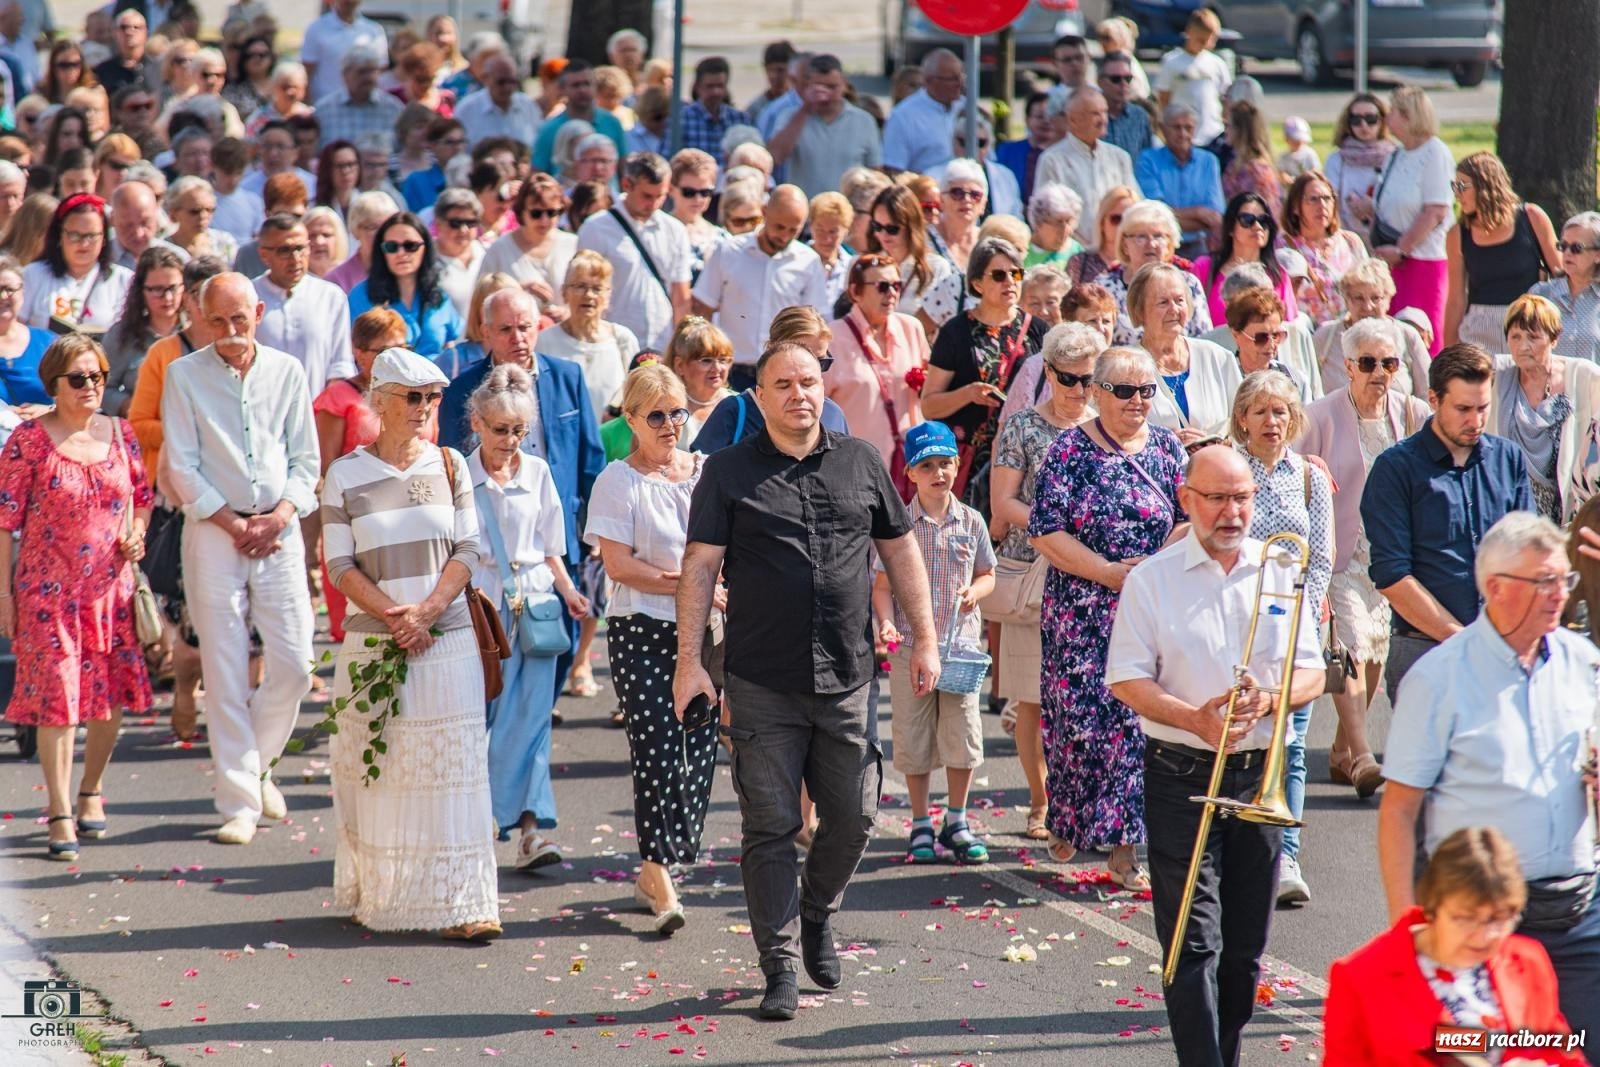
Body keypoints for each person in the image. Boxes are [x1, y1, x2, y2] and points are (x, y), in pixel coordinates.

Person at [674, 339, 940, 1020]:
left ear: (825, 388)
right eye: (781, 385)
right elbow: (701, 566)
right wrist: (689, 661)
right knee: (770, 824)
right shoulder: (728, 472)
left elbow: (899, 547)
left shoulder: (860, 461)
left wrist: (925, 635)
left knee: (853, 816)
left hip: (848, 675)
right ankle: (781, 963)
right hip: (761, 678)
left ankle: (818, 912)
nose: (798, 394)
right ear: (757, 397)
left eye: (808, 382)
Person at [1106, 444, 1324, 1067]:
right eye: (1218, 498)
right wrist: (1194, 718)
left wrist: (1274, 698)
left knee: (1244, 950)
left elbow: (1311, 671)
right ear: (1187, 500)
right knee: (1190, 941)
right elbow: (1125, 678)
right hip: (1181, 773)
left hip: (1259, 775)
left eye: (1242, 498)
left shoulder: (1282, 568)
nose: (1232, 512)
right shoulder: (1152, 579)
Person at [1380, 512, 1600, 1040]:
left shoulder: (1583, 663)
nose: (1559, 594)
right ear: (1495, 587)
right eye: (1543, 581)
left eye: (1563, 579)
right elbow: (1400, 810)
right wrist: (1406, 934)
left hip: (1579, 917)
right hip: (1480, 925)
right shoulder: (1439, 677)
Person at [319, 347, 500, 941]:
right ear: (380, 401)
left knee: (455, 774)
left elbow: (468, 552)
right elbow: (340, 564)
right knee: (383, 771)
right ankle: (386, 892)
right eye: (412, 397)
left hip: (446, 642)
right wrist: (396, 619)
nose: (424, 408)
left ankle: (465, 904)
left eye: (432, 397)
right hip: (376, 644)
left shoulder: (450, 464)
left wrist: (424, 612)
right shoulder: (344, 474)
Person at [162, 272, 319, 845]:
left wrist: (278, 516)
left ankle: (257, 766)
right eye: (218, 322)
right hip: (212, 530)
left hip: (278, 528)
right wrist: (232, 522)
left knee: (297, 661)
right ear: (200, 318)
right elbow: (181, 466)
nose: (230, 333)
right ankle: (239, 802)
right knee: (224, 669)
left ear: (258, 312)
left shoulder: (287, 370)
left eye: (240, 321)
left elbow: (306, 460)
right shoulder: (184, 375)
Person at [1030, 344, 1185, 884]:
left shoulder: (1167, 448)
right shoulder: (1069, 451)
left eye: (1147, 390)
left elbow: (1190, 518)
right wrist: (1108, 572)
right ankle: (1068, 819)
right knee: (1079, 726)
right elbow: (1045, 530)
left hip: (1147, 608)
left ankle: (1125, 850)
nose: (1137, 400)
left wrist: (1152, 567)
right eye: (1123, 390)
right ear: (1096, 393)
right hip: (1081, 610)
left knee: (1133, 726)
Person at [0, 334, 153, 861]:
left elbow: (141, 498)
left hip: (111, 589)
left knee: (106, 702)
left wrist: (137, 534)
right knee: (59, 701)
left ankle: (91, 790)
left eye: (98, 377)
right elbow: (4, 523)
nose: (91, 387)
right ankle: (60, 809)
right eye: (78, 378)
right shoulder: (28, 440)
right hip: (47, 590)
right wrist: (4, 595)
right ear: (54, 384)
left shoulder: (122, 433)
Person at [586, 365, 717, 932]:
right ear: (632, 421)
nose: (669, 425)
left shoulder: (706, 473)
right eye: (656, 416)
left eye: (677, 413)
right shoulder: (619, 480)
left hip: (706, 628)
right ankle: (657, 869)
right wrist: (686, 582)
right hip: (642, 627)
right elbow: (619, 566)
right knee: (658, 747)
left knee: (701, 747)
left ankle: (662, 860)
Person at [439, 288, 605, 701]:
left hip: (554, 524)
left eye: (526, 327)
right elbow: (449, 462)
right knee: (489, 647)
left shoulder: (567, 377)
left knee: (556, 631)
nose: (518, 337)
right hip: (489, 532)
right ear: (485, 332)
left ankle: (538, 708)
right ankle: (511, 716)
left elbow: (590, 456)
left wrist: (597, 526)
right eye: (506, 329)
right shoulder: (462, 389)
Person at [1299, 319, 1431, 800]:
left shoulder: (1412, 413)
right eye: (1370, 363)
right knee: (1351, 646)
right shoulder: (1319, 416)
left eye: (1390, 363)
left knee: (1376, 652)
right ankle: (1362, 754)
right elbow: (1292, 473)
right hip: (1342, 551)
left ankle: (1339, 754)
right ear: (1349, 366)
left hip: (1393, 552)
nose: (1380, 373)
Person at [1360, 343, 1533, 704]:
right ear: (1433, 399)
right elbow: (1392, 576)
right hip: (1426, 650)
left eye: (1483, 408)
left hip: (1504, 646)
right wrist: (1466, 641)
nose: (1475, 420)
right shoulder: (1395, 470)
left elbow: (1527, 553)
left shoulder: (1508, 459)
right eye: (1463, 409)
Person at [466, 362, 588, 870]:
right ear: (476, 422)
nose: (511, 440)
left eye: (520, 430)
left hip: (535, 607)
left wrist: (571, 592)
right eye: (500, 429)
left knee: (533, 721)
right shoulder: (457, 473)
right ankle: (479, 820)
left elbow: (550, 547)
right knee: (479, 720)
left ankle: (533, 830)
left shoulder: (537, 472)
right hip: (479, 608)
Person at [1327, 826, 1585, 1065]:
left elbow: (1561, 1052)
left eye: (1498, 919)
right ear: (1432, 905)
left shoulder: (1528, 960)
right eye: (1465, 918)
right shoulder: (1360, 977)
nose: (1483, 936)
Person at [989, 322, 1104, 839]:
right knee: (1034, 697)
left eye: (1089, 379)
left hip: (1094, 578)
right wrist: (1054, 528)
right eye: (1069, 379)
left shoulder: (1107, 422)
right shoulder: (1022, 428)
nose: (1079, 390)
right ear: (1048, 373)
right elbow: (1002, 504)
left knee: (1091, 697)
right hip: (1034, 574)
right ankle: (1041, 804)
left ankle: (1082, 803)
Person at [1228, 370, 1332, 904]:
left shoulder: (1311, 477)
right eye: (1263, 412)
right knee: (1235, 739)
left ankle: (1285, 854)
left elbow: (1321, 560)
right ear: (1242, 418)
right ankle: (1233, 848)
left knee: (1290, 747)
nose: (1274, 422)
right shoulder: (1227, 471)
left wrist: (1305, 625)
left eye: (1283, 413)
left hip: (1293, 627)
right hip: (1238, 626)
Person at [872, 421, 995, 864]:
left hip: (959, 647)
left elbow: (987, 574)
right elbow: (882, 587)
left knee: (963, 735)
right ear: (910, 474)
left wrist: (975, 593)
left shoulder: (972, 520)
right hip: (910, 650)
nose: (938, 473)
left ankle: (956, 818)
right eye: (928, 466)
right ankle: (921, 821)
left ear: (958, 466)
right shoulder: (899, 525)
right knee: (914, 736)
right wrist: (886, 624)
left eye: (946, 463)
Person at [314, 307, 423, 642]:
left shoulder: (420, 394)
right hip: (360, 524)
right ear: (358, 353)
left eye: (403, 349)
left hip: (415, 517)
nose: (396, 358)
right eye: (385, 351)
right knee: (364, 628)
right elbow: (325, 470)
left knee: (414, 620)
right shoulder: (337, 398)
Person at [922, 237, 1049, 498]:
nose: (1010, 281)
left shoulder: (1038, 330)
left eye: (1016, 273)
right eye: (999, 275)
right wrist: (968, 394)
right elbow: (929, 405)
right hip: (965, 459)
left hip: (1020, 456)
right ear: (977, 283)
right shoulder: (955, 331)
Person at [692, 185, 827, 386]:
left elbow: (812, 323)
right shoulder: (728, 252)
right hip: (730, 371)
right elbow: (704, 310)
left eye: (793, 230)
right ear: (764, 212)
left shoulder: (809, 261)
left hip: (784, 374)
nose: (784, 236)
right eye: (779, 227)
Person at [1488, 294, 1600, 521]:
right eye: (1515, 336)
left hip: (1569, 509)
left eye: (1533, 337)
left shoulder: (1585, 377)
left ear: (1554, 338)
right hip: (1508, 508)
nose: (1523, 346)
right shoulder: (1496, 375)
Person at [824, 253, 929, 490]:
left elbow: (930, 389)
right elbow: (818, 404)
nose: (891, 293)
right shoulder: (831, 338)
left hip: (910, 466)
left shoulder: (911, 328)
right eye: (882, 286)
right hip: (853, 471)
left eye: (896, 285)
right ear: (855, 292)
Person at [1361, 86, 1453, 355]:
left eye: (1393, 112)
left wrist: (1402, 249)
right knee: (1391, 338)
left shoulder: (1436, 153)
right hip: (1391, 260)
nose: (1387, 118)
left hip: (1423, 261)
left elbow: (1436, 210)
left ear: (1409, 115)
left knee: (1422, 337)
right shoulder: (1395, 154)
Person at [1444, 152, 1561, 353]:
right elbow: (1456, 299)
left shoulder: (1531, 217)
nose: (1457, 193)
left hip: (1529, 324)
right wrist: (1448, 350)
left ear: (1485, 185)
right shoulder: (1458, 234)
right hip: (1479, 330)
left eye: (1462, 186)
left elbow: (1561, 274)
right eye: (1454, 186)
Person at [576, 152, 691, 353]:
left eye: (661, 196)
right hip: (612, 344)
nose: (654, 204)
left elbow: (681, 297)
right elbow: (584, 294)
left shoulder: (675, 230)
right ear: (627, 185)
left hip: (662, 346)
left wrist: (678, 348)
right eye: (647, 196)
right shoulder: (595, 228)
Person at [250, 213, 358, 399]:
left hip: (316, 414)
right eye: (285, 250)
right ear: (264, 255)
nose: (295, 258)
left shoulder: (330, 296)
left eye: (301, 248)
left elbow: (341, 365)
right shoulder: (248, 295)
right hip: (261, 412)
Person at [1127, 262, 1237, 442]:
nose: (1174, 310)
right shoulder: (1125, 367)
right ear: (1140, 311)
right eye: (1163, 302)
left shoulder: (1218, 357)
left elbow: (1243, 421)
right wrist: (1166, 442)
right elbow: (1115, 433)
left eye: (1179, 300)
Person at [538, 249, 640, 422]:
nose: (589, 295)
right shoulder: (544, 342)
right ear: (564, 292)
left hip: (612, 445)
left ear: (608, 295)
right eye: (580, 286)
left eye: (597, 288)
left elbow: (639, 398)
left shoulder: (623, 339)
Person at [349, 212, 465, 360]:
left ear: (426, 247)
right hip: (382, 381)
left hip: (437, 381)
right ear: (381, 252)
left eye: (410, 246)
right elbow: (353, 354)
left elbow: (459, 342)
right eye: (391, 247)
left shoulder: (438, 295)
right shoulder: (360, 297)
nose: (401, 253)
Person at [1094, 201, 1211, 347]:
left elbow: (1204, 338)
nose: (1151, 244)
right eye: (1141, 237)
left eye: (1158, 236)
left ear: (1169, 243)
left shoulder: (1188, 282)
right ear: (1124, 244)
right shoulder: (1104, 287)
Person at [1314, 257, 1432, 399]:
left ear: (1388, 299)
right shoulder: (1325, 337)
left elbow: (1428, 392)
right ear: (1346, 300)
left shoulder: (1407, 335)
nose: (1368, 306)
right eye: (1358, 298)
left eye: (1376, 298)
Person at [765, 54, 879, 200]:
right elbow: (775, 156)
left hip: (848, 214)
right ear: (808, 86)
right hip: (806, 215)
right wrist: (805, 109)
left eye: (832, 87)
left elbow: (875, 174)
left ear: (844, 84)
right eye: (818, 87)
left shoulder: (864, 121)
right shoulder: (789, 117)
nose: (825, 95)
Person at [1035, 87, 1137, 250]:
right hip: (1071, 254)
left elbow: (1135, 206)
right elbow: (1045, 216)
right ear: (1073, 119)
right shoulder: (1052, 160)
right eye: (1095, 113)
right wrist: (1084, 251)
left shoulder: (1120, 157)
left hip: (1117, 254)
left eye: (1104, 112)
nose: (1103, 119)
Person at [19, 194, 133, 332]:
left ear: (103, 238)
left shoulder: (124, 279)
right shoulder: (33, 275)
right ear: (60, 235)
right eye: (74, 235)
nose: (83, 244)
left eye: (91, 236)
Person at [481, 174, 577, 323]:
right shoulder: (499, 249)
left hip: (566, 337)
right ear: (521, 211)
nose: (544, 220)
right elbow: (482, 298)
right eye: (536, 213)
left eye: (551, 213)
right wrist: (517, 289)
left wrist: (568, 312)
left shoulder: (573, 245)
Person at [1194, 192, 1298, 328]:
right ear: (1231, 228)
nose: (1257, 226)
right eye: (1247, 220)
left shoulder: (1279, 276)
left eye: (1263, 220)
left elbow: (1289, 327)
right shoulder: (1204, 268)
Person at [101, 246, 183, 417]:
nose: (167, 298)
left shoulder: (197, 331)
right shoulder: (121, 335)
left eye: (173, 288)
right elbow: (101, 387)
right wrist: (129, 405)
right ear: (141, 291)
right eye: (157, 290)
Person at [1282, 171, 1367, 326]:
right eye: (1313, 199)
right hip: (1303, 338)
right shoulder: (1282, 247)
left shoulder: (1350, 242)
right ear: (1295, 207)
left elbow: (1369, 290)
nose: (1322, 205)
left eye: (1327, 198)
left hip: (1346, 338)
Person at [865, 183, 953, 324]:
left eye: (892, 229)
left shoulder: (936, 268)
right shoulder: (863, 264)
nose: (883, 234)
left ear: (911, 226)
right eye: (877, 227)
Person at [530, 61, 627, 174]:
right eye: (576, 85)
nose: (582, 90)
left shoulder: (612, 122)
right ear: (563, 89)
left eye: (587, 84)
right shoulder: (548, 129)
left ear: (595, 86)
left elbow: (623, 167)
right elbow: (537, 173)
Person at [1222, 284, 1312, 403]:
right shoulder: (1221, 379)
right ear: (1235, 335)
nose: (1271, 344)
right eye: (1261, 337)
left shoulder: (1295, 380)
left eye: (1276, 335)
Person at [1323, 92, 1395, 238]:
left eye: (1371, 119)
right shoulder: (1337, 159)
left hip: (1387, 237)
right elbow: (1329, 202)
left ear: (1382, 121)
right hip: (1346, 237)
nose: (1363, 125)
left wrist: (1375, 205)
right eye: (1356, 120)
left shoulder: (1395, 156)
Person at [882, 49, 963, 176]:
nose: (960, 84)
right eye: (952, 78)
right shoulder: (903, 116)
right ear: (930, 81)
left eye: (961, 76)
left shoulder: (968, 108)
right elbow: (894, 171)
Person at [1155, 9, 1231, 146]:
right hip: (1184, 134)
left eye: (1210, 40)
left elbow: (1225, 96)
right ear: (1189, 32)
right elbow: (1163, 98)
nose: (1204, 45)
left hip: (1212, 132)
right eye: (1200, 40)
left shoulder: (1217, 63)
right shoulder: (1172, 62)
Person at [1533, 211, 1600, 363]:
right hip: (1549, 386)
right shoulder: (1541, 295)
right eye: (1563, 246)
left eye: (1577, 248)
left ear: (1598, 255)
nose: (1568, 253)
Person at [665, 316, 736, 452]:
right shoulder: (666, 407)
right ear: (680, 365)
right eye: (706, 360)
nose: (716, 368)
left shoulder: (738, 404)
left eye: (723, 360)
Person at [300, 0, 388, 104]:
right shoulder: (316, 29)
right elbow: (307, 71)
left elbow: (381, 70)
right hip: (325, 104)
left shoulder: (374, 30)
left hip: (365, 105)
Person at [455, 54, 542, 148]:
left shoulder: (528, 106)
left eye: (512, 81)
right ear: (485, 79)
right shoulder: (467, 109)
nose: (508, 87)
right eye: (501, 82)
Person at [0, 255, 52, 410]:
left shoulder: (49, 343)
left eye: (9, 289)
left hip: (41, 430)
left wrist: (48, 411)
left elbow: (72, 398)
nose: (3, 297)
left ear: (23, 291)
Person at [325, 190, 399, 295]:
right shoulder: (337, 280)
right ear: (356, 230)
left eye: (388, 226)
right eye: (373, 227)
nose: (382, 234)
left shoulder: (404, 272)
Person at [667, 149, 723, 286]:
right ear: (671, 189)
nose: (698, 199)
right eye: (689, 192)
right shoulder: (659, 231)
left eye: (705, 192)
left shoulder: (721, 238)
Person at [995, 92, 1060, 208]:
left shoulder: (1063, 155)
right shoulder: (1008, 151)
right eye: (1040, 116)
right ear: (1027, 119)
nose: (1046, 121)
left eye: (1051, 116)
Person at [431, 188, 486, 320]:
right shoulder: (425, 258)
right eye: (455, 223)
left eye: (470, 223)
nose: (463, 230)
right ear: (438, 224)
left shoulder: (485, 252)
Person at [1220, 102, 1281, 219]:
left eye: (1228, 126)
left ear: (1240, 130)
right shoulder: (1236, 165)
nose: (1225, 131)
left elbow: (1266, 215)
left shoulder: (1256, 171)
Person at [164, 177, 237, 267]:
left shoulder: (224, 243)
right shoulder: (164, 249)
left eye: (209, 210)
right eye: (195, 211)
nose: (203, 216)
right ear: (173, 213)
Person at [1099, 52, 1152, 164]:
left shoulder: (1140, 116)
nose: (1123, 84)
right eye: (1116, 79)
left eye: (1128, 78)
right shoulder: (1090, 115)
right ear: (1100, 82)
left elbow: (1146, 159)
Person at [94, 10, 159, 94]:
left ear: (146, 32)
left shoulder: (158, 68)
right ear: (114, 33)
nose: (129, 32)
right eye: (124, 27)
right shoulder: (102, 71)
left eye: (136, 27)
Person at [1023, 184, 1083, 270]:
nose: (1066, 229)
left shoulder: (1077, 251)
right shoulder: (1022, 250)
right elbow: (1014, 280)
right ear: (1039, 222)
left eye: (1069, 221)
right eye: (1058, 223)